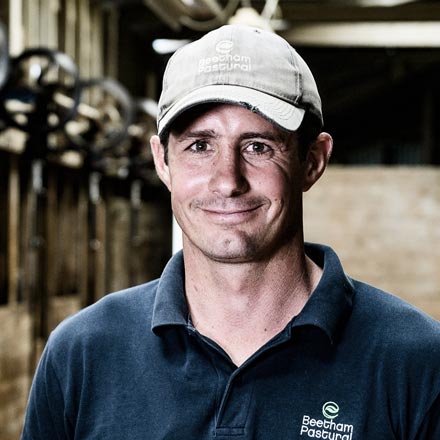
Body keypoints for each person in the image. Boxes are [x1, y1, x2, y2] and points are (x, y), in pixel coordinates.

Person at [21, 25, 440, 440]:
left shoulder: (416, 359)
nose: (227, 181)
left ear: (312, 161)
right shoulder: (82, 354)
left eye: (258, 146)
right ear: (162, 162)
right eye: (199, 146)